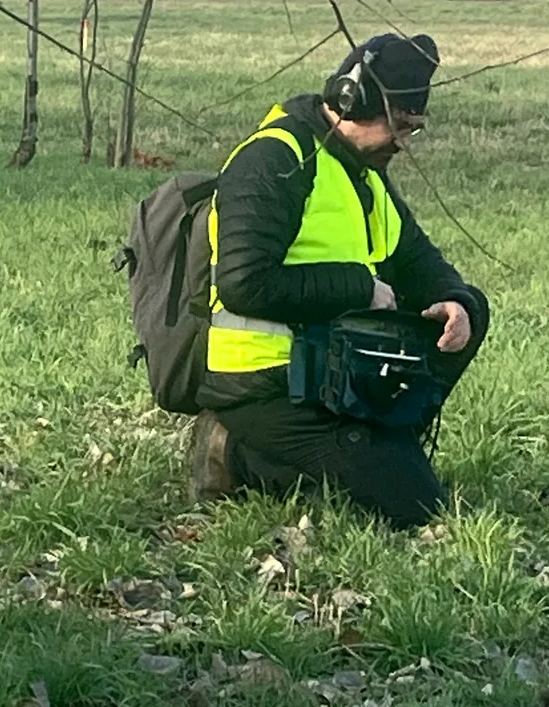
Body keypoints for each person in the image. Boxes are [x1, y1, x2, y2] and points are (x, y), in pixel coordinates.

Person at [189, 33, 490, 528]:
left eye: (412, 130)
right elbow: (245, 283)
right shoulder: (272, 160)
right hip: (262, 384)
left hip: (337, 372)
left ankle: (383, 445)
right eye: (399, 125)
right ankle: (233, 450)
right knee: (417, 507)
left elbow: (417, 260)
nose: (401, 141)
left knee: (474, 307)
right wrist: (357, 288)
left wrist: (453, 300)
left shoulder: (364, 171)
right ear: (352, 101)